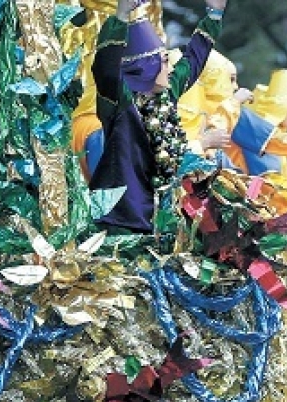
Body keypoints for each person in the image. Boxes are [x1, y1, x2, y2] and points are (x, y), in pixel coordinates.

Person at [89, 0, 229, 233]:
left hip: (156, 221)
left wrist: (214, 14)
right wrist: (122, 14)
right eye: (163, 61)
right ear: (146, 66)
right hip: (118, 220)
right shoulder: (121, 102)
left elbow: (192, 61)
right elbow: (105, 68)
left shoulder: (165, 95)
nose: (169, 67)